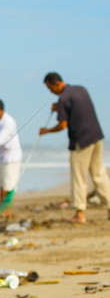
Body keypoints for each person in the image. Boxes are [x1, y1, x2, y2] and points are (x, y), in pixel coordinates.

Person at [39, 72, 110, 223]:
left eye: (51, 89)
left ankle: (80, 213)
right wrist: (60, 107)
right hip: (96, 136)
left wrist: (47, 131)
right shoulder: (81, 89)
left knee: (79, 175)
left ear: (57, 84)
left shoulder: (63, 98)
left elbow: (62, 125)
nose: (51, 92)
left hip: (81, 140)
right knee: (99, 174)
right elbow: (77, 109)